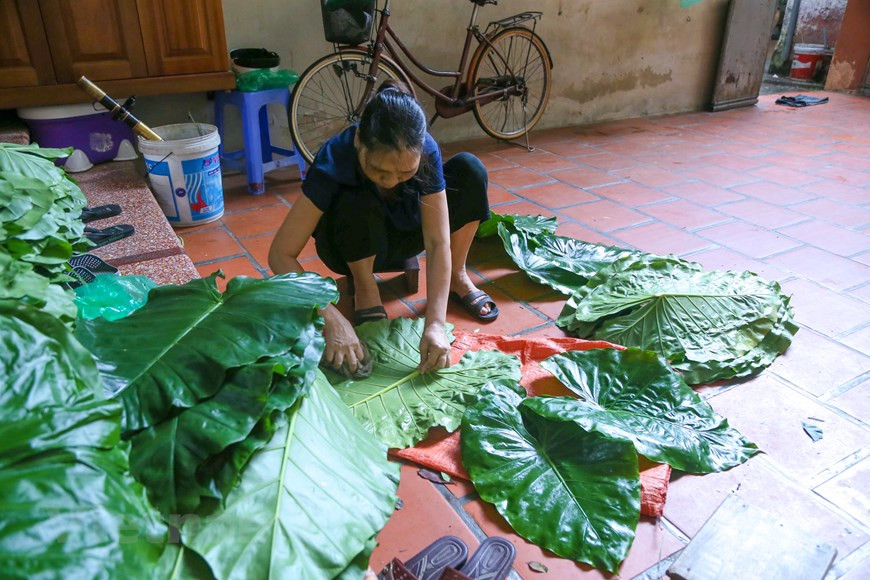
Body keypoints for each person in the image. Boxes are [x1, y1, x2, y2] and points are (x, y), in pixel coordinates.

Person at [269, 80, 498, 377]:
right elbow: (280, 254)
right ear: (358, 141)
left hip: (404, 236)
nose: (391, 181)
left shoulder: (426, 149)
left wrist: (436, 325)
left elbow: (437, 243)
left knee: (470, 168)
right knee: (355, 192)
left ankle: (457, 275)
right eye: (380, 170)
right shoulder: (336, 154)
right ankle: (365, 288)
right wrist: (331, 317)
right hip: (348, 244)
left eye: (406, 172)